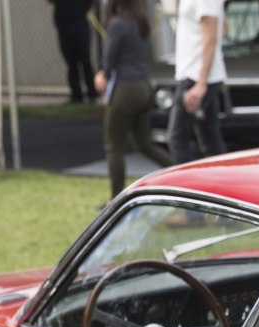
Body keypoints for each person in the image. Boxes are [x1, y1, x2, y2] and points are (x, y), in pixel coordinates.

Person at [94, 0, 171, 198]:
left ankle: (115, 200)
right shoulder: (140, 21)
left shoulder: (118, 23)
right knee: (144, 144)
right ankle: (178, 169)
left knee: (113, 145)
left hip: (125, 89)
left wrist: (103, 74)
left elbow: (110, 58)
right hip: (144, 87)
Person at [168, 0, 224, 165]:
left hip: (196, 77)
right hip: (200, 75)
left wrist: (201, 83)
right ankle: (218, 184)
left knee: (177, 138)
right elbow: (223, 29)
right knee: (210, 140)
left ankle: (183, 188)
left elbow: (211, 38)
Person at [50, 0, 100, 104]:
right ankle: (76, 95)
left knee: (85, 60)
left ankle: (92, 92)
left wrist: (84, 8)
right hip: (64, 24)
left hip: (79, 21)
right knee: (71, 63)